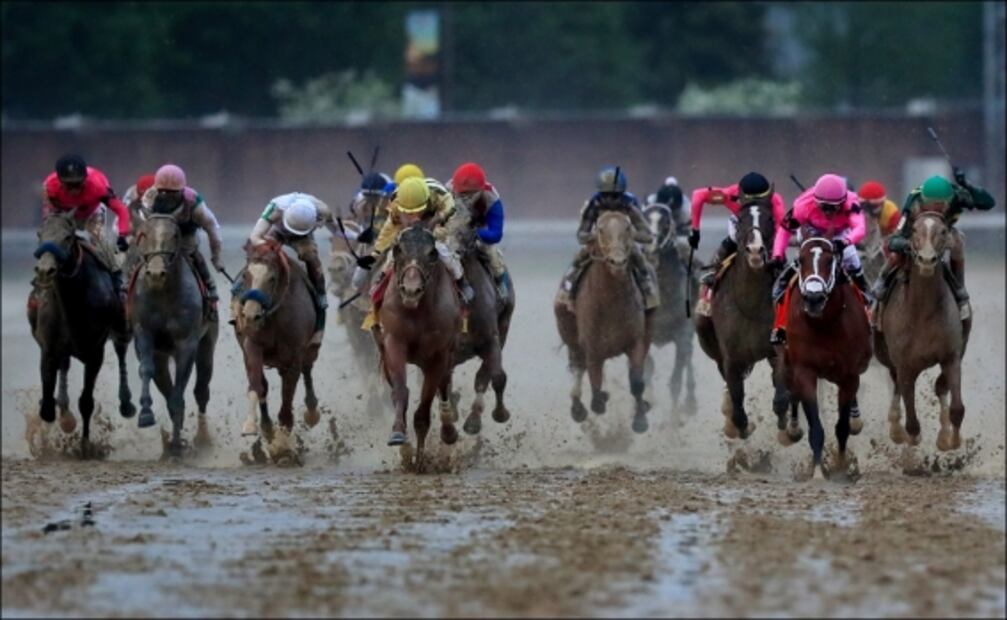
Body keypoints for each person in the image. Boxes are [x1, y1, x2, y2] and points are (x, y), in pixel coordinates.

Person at [352, 176, 475, 331]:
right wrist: (375, 254)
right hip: (407, 231)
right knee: (391, 257)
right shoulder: (395, 206)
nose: (414, 217)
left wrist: (436, 222)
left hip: (437, 224)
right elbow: (387, 232)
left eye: (417, 211)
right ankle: (378, 292)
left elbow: (451, 217)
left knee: (444, 252)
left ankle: (461, 282)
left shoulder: (441, 197)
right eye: (408, 213)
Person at [872, 171, 996, 321]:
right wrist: (908, 244)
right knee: (896, 254)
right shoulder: (913, 200)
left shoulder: (958, 196)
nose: (935, 209)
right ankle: (882, 281)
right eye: (930, 205)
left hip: (943, 233)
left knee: (958, 242)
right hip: (917, 232)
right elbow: (894, 240)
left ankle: (959, 289)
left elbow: (989, 203)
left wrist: (968, 185)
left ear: (948, 201)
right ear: (923, 200)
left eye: (940, 206)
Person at [769, 173, 872, 345]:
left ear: (843, 203)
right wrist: (777, 254)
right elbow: (784, 230)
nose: (828, 212)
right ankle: (780, 325)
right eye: (824, 207)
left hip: (840, 234)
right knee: (799, 267)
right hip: (812, 232)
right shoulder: (802, 205)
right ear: (816, 201)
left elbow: (860, 229)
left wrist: (845, 242)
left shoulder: (852, 203)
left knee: (853, 260)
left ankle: (867, 305)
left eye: (833, 208)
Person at [555, 166, 658, 312]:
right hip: (601, 244)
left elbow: (647, 235)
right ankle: (567, 291)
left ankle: (648, 293)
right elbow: (581, 234)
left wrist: (628, 235)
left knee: (640, 260)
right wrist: (595, 237)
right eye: (607, 195)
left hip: (624, 245)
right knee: (578, 260)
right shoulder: (594, 204)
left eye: (615, 196)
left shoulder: (629, 205)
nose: (611, 200)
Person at [245, 191, 342, 340]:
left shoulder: (323, 210)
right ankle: (241, 292)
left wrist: (357, 235)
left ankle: (320, 293)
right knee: (259, 259)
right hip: (276, 232)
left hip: (303, 237)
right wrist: (266, 246)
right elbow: (255, 237)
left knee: (311, 258)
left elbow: (337, 231)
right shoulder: (275, 207)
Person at [40, 154, 132, 302]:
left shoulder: (98, 186)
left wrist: (122, 235)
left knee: (101, 243)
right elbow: (49, 218)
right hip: (64, 214)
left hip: (92, 213)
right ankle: (41, 283)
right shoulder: (49, 187)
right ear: (60, 182)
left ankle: (117, 282)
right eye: (69, 186)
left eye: (78, 185)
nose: (74, 191)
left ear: (85, 179)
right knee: (52, 241)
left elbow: (121, 209)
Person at [144, 164, 224, 313]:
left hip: (185, 239)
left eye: (172, 193)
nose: (167, 196)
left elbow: (213, 229)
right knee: (140, 256)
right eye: (163, 192)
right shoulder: (149, 198)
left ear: (182, 191)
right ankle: (126, 288)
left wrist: (216, 258)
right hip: (158, 236)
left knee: (195, 256)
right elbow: (146, 224)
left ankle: (210, 288)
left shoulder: (194, 203)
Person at [687, 172, 786, 288]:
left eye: (760, 203)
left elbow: (781, 230)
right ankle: (715, 269)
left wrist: (778, 256)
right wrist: (695, 230)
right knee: (734, 236)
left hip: (765, 226)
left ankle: (782, 274)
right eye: (749, 203)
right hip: (741, 223)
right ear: (740, 196)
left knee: (776, 246)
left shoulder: (776, 201)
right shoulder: (729, 194)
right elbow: (698, 196)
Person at [446, 162, 511, 299]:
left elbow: (496, 233)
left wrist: (476, 234)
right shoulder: (447, 191)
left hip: (479, 229)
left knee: (491, 253)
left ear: (481, 191)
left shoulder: (491, 199)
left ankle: (501, 284)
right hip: (455, 227)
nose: (464, 199)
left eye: (469, 195)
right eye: (461, 194)